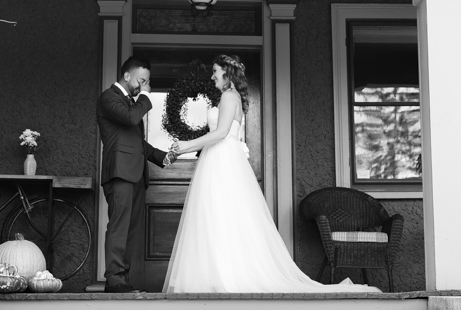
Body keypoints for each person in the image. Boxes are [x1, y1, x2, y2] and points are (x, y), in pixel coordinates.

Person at [163, 54, 382, 293]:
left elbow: (221, 132)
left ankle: (224, 279)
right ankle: (220, 276)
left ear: (226, 73)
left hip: (221, 160)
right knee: (221, 217)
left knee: (219, 215)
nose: (212, 75)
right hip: (220, 159)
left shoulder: (228, 96)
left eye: (215, 71)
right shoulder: (232, 97)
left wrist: (186, 145)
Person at [97, 56, 177, 293]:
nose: (144, 85)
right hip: (119, 174)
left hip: (136, 176)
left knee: (131, 230)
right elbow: (132, 118)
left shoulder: (130, 103)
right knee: (119, 227)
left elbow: (135, 142)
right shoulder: (109, 97)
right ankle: (113, 279)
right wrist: (145, 96)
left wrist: (162, 157)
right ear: (128, 75)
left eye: (147, 82)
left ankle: (123, 280)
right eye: (142, 80)